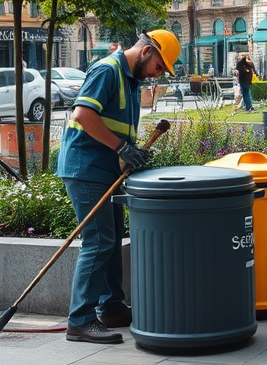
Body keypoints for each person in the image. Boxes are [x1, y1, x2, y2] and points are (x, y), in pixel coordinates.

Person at [57, 29, 180, 344]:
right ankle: (80, 321)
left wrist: (128, 151)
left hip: (105, 170)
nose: (159, 74)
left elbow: (115, 125)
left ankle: (110, 307)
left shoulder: (131, 80)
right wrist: (120, 148)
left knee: (110, 241)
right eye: (159, 66)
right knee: (98, 242)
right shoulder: (107, 70)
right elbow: (84, 114)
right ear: (146, 52)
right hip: (87, 168)